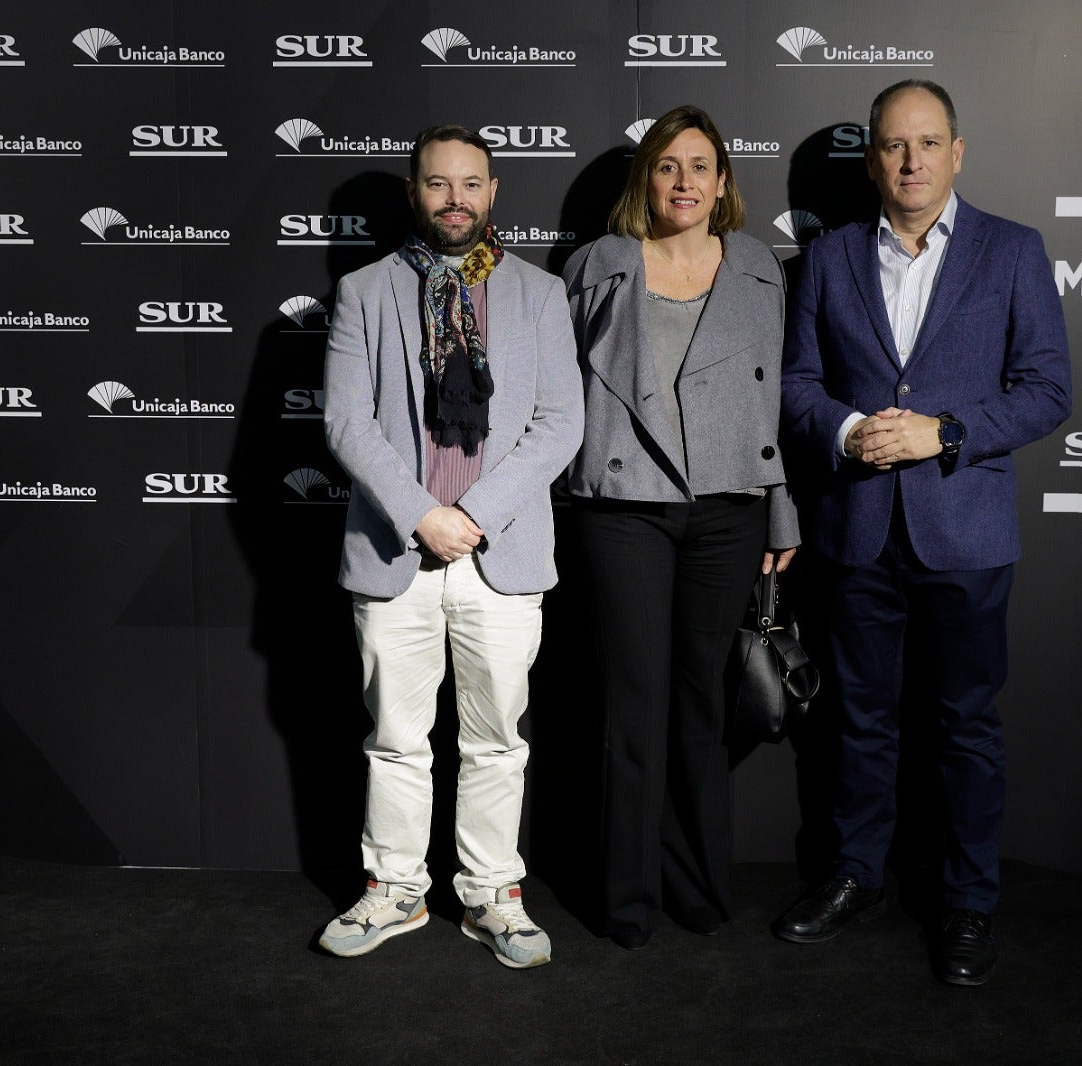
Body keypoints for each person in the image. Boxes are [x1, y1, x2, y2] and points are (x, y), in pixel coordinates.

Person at [775, 80, 1071, 985]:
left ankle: (967, 901)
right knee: (860, 723)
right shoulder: (826, 260)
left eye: (927, 143)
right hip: (857, 531)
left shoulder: (1013, 251)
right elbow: (796, 385)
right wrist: (843, 429)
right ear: (872, 159)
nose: (911, 162)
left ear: (957, 151)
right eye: (894, 146)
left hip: (966, 536)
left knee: (964, 726)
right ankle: (859, 875)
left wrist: (944, 431)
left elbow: (1049, 391)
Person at [318, 125, 583, 968]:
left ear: (494, 192)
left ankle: (490, 895)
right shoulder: (365, 292)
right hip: (397, 550)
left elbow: (559, 425)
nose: (455, 199)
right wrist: (421, 514)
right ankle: (395, 890)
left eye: (471, 184)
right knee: (395, 737)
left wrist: (472, 514)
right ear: (414, 192)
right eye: (438, 184)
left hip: (497, 553)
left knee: (497, 738)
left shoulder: (539, 295)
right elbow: (347, 423)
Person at [563, 105, 800, 949]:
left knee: (702, 702)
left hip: (729, 511)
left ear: (724, 181)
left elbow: (772, 405)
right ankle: (626, 898)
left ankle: (697, 883)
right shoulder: (598, 264)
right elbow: (559, 397)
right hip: (621, 509)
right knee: (634, 705)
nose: (685, 183)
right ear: (646, 180)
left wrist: (781, 505)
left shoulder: (761, 271)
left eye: (700, 166)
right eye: (668, 166)